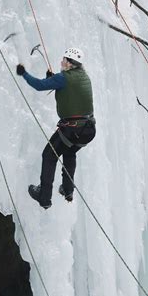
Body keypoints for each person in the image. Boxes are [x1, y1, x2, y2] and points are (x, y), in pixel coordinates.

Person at [16, 48, 95, 209]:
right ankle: (68, 190)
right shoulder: (84, 77)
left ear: (69, 63)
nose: (61, 62)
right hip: (88, 130)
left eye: (63, 60)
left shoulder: (63, 78)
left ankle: (44, 197)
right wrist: (51, 79)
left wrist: (23, 73)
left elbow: (38, 85)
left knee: (49, 155)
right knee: (69, 152)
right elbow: (71, 92)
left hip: (72, 129)